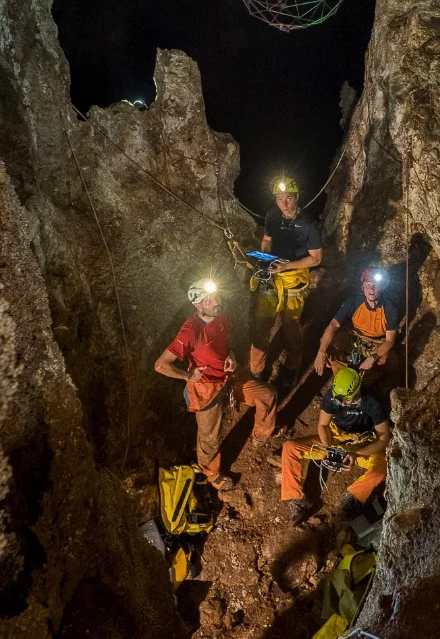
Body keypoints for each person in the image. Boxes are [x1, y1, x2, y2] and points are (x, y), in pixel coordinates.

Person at [154, 280, 277, 491]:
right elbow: (160, 365)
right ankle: (212, 474)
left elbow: (227, 338)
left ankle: (260, 436)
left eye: (215, 297)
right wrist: (187, 375)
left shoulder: (221, 316)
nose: (215, 302)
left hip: (229, 375)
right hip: (206, 387)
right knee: (209, 438)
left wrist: (230, 354)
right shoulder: (190, 331)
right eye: (209, 300)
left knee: (267, 395)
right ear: (198, 306)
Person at [281, 367, 391, 525]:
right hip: (335, 436)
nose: (340, 404)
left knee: (383, 465)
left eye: (344, 401)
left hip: (361, 441)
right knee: (290, 447)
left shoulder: (371, 404)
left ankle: (354, 497)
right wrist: (328, 447)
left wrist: (357, 454)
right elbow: (323, 425)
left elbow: (384, 438)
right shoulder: (332, 396)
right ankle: (298, 500)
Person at [250, 177, 322, 390]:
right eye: (279, 199)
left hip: (293, 280)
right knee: (261, 326)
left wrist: (287, 266)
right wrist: (263, 258)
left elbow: (316, 258)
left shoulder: (307, 225)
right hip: (272, 276)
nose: (284, 204)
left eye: (288, 198)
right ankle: (256, 371)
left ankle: (292, 367)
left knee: (290, 329)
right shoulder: (272, 215)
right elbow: (267, 239)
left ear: (297, 198)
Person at [313, 267, 400, 386]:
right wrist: (321, 353)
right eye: (368, 285)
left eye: (375, 285)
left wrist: (372, 358)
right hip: (354, 337)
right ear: (362, 287)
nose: (371, 289)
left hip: (376, 342)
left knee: (392, 361)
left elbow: (390, 341)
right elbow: (333, 325)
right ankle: (342, 379)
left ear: (382, 287)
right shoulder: (354, 301)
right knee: (327, 344)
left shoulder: (389, 308)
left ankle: (365, 379)